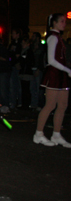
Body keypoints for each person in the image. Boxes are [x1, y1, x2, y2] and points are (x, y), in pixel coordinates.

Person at [34, 13, 71, 148]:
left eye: (65, 21)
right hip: (54, 74)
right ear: (54, 23)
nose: (64, 24)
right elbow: (51, 61)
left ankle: (56, 134)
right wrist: (68, 70)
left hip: (61, 75)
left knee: (62, 105)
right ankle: (38, 134)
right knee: (50, 105)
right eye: (61, 21)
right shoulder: (53, 38)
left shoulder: (59, 38)